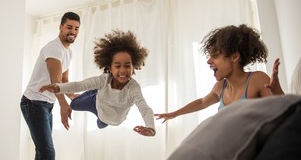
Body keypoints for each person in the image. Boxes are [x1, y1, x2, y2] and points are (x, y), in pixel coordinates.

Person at [155, 24, 284, 123]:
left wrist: (277, 91)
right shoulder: (220, 87)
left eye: (215, 56)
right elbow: (202, 102)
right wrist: (174, 114)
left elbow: (285, 112)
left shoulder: (257, 80)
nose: (208, 61)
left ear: (234, 57)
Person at [40, 30, 156, 137]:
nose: (123, 70)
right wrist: (57, 87)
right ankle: (95, 93)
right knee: (74, 105)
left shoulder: (133, 88)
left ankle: (96, 92)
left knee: (101, 124)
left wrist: (150, 128)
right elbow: (80, 85)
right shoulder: (104, 79)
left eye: (127, 66)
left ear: (133, 66)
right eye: (117, 66)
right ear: (110, 67)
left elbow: (145, 109)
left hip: (107, 119)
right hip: (96, 104)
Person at [20, 12, 80, 160]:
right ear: (60, 27)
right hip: (33, 102)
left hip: (46, 104)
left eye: (76, 28)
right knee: (47, 152)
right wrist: (63, 105)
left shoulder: (68, 52)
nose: (73, 31)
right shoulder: (54, 48)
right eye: (69, 27)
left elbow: (64, 80)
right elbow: (56, 81)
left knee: (42, 151)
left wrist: (73, 96)